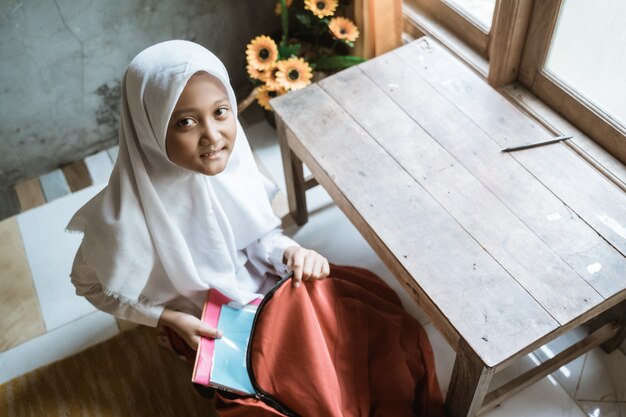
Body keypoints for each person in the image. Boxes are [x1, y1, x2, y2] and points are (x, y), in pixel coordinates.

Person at [68, 40, 445, 417]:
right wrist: (167, 318)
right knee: (297, 392)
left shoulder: (230, 167)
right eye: (185, 121)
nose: (213, 136)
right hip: (207, 324)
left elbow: (258, 237)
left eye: (220, 112)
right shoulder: (120, 216)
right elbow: (88, 283)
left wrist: (290, 251)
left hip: (263, 289)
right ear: (148, 129)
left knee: (359, 339)